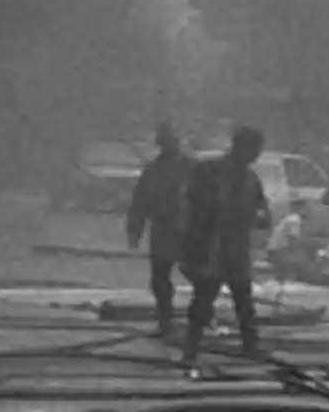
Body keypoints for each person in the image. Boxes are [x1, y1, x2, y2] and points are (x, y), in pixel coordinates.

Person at [179, 125, 272, 366]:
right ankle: (190, 349)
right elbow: (195, 207)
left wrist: (259, 216)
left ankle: (251, 345)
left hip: (237, 248)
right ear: (241, 147)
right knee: (203, 299)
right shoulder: (210, 172)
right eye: (253, 150)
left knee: (243, 300)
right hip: (213, 246)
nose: (255, 156)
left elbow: (263, 212)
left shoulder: (251, 179)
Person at [126, 121, 195, 338]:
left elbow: (205, 198)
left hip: (188, 229)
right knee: (160, 278)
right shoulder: (154, 170)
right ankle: (166, 320)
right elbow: (140, 202)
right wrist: (134, 230)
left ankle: (201, 317)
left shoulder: (190, 168)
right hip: (164, 229)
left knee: (196, 274)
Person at [266, 199, 311, 302]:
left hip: (275, 247)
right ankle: (278, 297)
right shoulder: (295, 219)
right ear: (301, 208)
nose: (308, 210)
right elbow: (292, 238)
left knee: (282, 273)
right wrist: (295, 254)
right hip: (278, 248)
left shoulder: (291, 218)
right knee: (285, 271)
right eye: (306, 208)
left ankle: (278, 296)